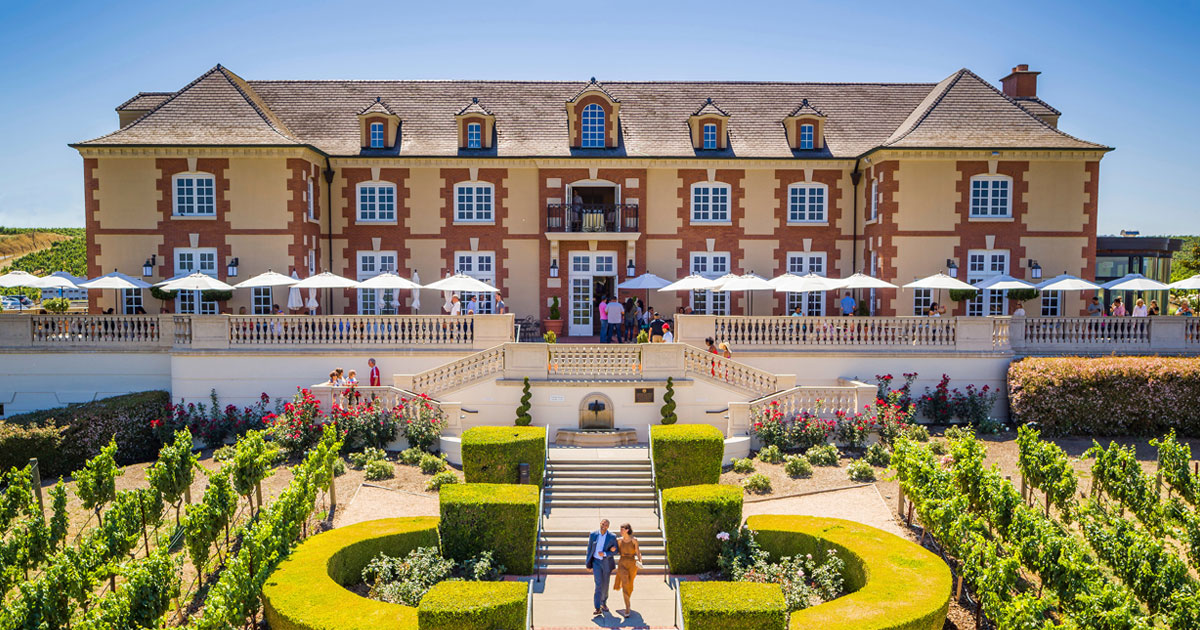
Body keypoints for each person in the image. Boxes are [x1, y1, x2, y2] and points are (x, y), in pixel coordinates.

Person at [586, 519, 618, 616]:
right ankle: (597, 607)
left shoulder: (612, 537)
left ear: (608, 527)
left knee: (605, 584)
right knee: (598, 584)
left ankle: (603, 603)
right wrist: (588, 563)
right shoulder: (593, 534)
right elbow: (589, 549)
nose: (603, 525)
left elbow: (615, 551)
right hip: (596, 562)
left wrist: (605, 553)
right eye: (602, 523)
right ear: (600, 524)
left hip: (606, 563)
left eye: (606, 524)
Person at [611, 523, 643, 617]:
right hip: (622, 563)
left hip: (632, 564)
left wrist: (640, 561)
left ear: (627, 530)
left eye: (622, 530)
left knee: (630, 585)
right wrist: (612, 549)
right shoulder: (619, 541)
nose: (620, 531)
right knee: (625, 583)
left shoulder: (634, 540)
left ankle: (627, 602)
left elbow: (638, 552)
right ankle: (627, 607)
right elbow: (616, 551)